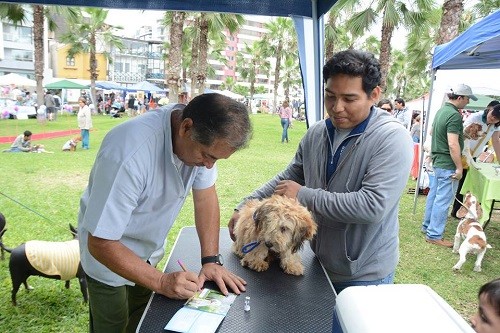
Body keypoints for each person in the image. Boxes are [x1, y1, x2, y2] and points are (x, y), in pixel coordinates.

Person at [228, 49, 413, 332]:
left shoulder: (392, 138)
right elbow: (289, 176)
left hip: (364, 273)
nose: (337, 107)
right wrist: (245, 204)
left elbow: (373, 205)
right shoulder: (317, 132)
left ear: (374, 94)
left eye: (349, 98)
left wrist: (303, 195)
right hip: (319, 260)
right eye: (330, 96)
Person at [78, 93, 251, 332]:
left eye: (216, 160)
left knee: (141, 320)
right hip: (108, 257)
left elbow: (206, 198)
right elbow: (101, 242)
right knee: (113, 325)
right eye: (208, 156)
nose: (210, 165)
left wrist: (210, 260)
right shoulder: (129, 152)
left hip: (148, 252)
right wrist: (160, 281)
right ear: (186, 128)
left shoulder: (200, 142)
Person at [421, 83, 476, 247]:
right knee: (442, 200)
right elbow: (453, 144)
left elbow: (432, 132)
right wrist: (459, 167)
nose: (468, 102)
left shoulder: (442, 111)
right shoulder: (453, 115)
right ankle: (434, 234)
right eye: (467, 99)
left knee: (434, 195)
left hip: (439, 161)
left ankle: (427, 227)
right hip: (447, 163)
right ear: (459, 97)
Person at [450, 101, 500, 218]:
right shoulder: (475, 117)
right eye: (493, 114)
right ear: (490, 109)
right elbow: (461, 134)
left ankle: (459, 211)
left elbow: (496, 141)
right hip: (462, 153)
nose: (492, 118)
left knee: (465, 184)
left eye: (496, 118)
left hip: (473, 156)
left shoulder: (495, 126)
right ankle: (456, 210)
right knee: (456, 181)